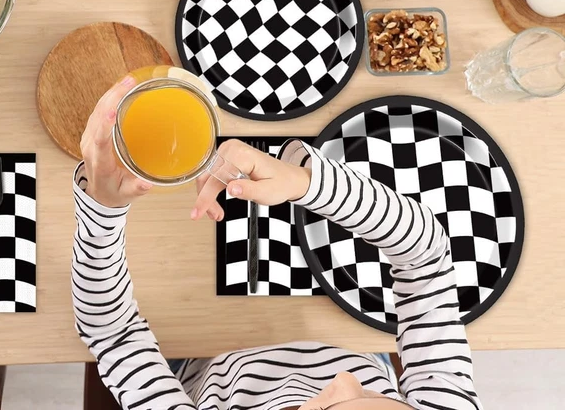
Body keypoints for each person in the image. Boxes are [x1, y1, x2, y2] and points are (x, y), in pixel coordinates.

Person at [73, 76, 482, 410]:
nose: (344, 380)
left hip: (197, 366)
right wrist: (305, 183)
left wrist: (103, 207)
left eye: (329, 409)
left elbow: (112, 331)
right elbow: (426, 255)